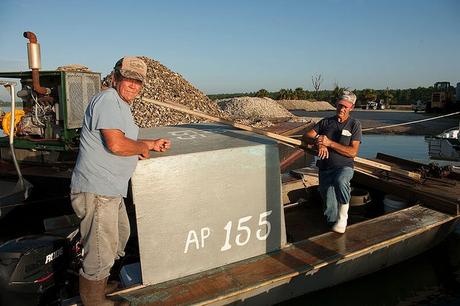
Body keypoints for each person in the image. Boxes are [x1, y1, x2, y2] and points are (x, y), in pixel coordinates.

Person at [70, 56, 171, 305]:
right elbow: (116, 144)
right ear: (115, 78)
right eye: (128, 79)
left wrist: (150, 144)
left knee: (119, 238)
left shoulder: (121, 105)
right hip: (97, 190)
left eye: (138, 82)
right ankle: (94, 299)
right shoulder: (107, 100)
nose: (133, 85)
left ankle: (102, 281)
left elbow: (124, 139)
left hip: (111, 190)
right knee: (100, 252)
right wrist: (140, 148)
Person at [304, 91, 361, 233]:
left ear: (351, 108)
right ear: (336, 104)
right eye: (340, 105)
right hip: (325, 168)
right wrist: (319, 143)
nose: (342, 109)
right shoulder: (325, 122)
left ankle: (343, 218)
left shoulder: (354, 124)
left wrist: (329, 143)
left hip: (344, 167)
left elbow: (353, 152)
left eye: (346, 107)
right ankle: (332, 228)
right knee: (328, 205)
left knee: (341, 181)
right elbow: (306, 136)